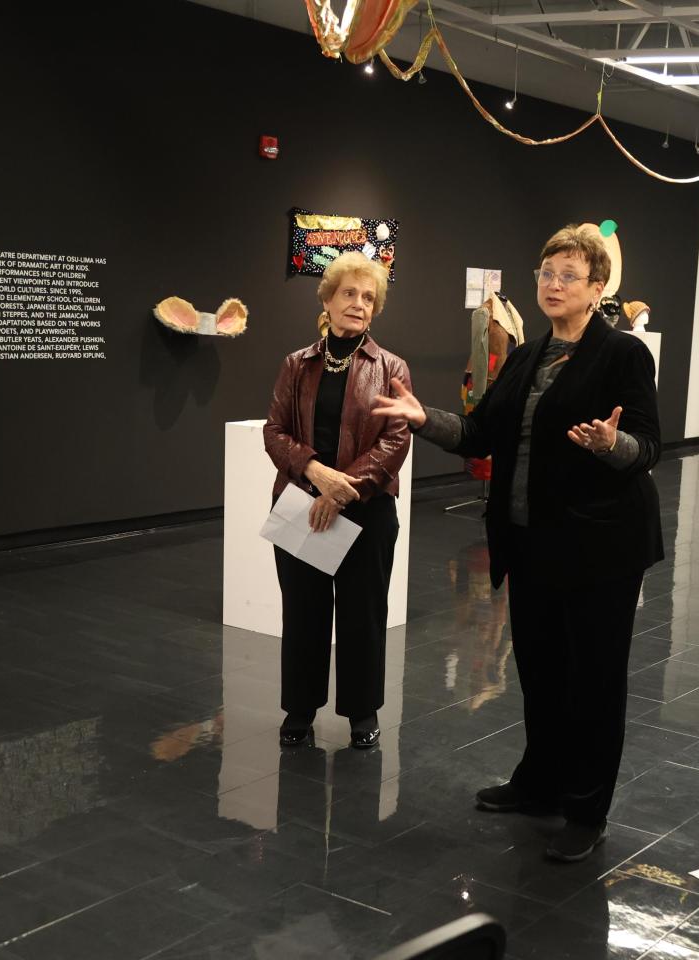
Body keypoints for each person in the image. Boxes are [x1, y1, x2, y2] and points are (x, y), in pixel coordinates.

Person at [371, 224, 663, 862]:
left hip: (599, 550)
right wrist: (425, 419)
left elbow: (648, 447)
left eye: (568, 275)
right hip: (531, 541)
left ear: (597, 288)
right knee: (541, 671)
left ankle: (587, 809)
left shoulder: (622, 356)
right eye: (546, 274)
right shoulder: (528, 356)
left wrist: (612, 445)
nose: (553, 285)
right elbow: (480, 432)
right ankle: (541, 784)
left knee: (594, 681)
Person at [264, 251, 412, 750]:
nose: (359, 303)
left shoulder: (391, 367)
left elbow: (395, 442)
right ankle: (300, 711)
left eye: (369, 297)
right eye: (349, 293)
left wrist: (341, 490)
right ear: (327, 300)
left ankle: (362, 712)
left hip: (367, 510)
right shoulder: (296, 365)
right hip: (301, 504)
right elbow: (275, 431)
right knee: (302, 612)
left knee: (362, 614)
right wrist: (313, 471)